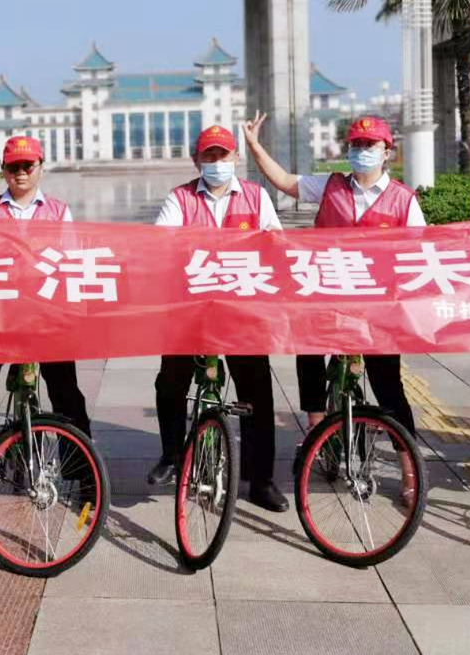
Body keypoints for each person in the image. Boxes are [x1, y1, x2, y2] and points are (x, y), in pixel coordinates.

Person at [242, 114, 419, 445]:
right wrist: (254, 145)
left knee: (387, 383)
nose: (362, 150)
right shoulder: (330, 185)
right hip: (327, 294)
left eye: (370, 144)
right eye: (356, 144)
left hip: (377, 305)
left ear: (386, 151)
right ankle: (316, 424)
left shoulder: (403, 200)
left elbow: (418, 253)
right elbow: (284, 180)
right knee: (308, 348)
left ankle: (408, 460)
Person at [148, 124, 288, 512]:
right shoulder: (180, 199)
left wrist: (269, 243)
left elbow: (276, 244)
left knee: (257, 392)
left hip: (242, 313)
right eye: (208, 155)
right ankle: (171, 455)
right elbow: (159, 243)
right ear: (196, 160)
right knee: (170, 381)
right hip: (191, 310)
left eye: (222, 155)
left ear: (235, 159)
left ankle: (261, 480)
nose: (216, 162)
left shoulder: (257, 197)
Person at [0, 136, 92, 477]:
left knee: (64, 387)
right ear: (4, 170)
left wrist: (74, 311)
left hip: (44, 315)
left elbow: (72, 261)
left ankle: (81, 468)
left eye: (27, 166)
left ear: (40, 168)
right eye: (13, 166)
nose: (21, 172)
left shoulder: (58, 212)